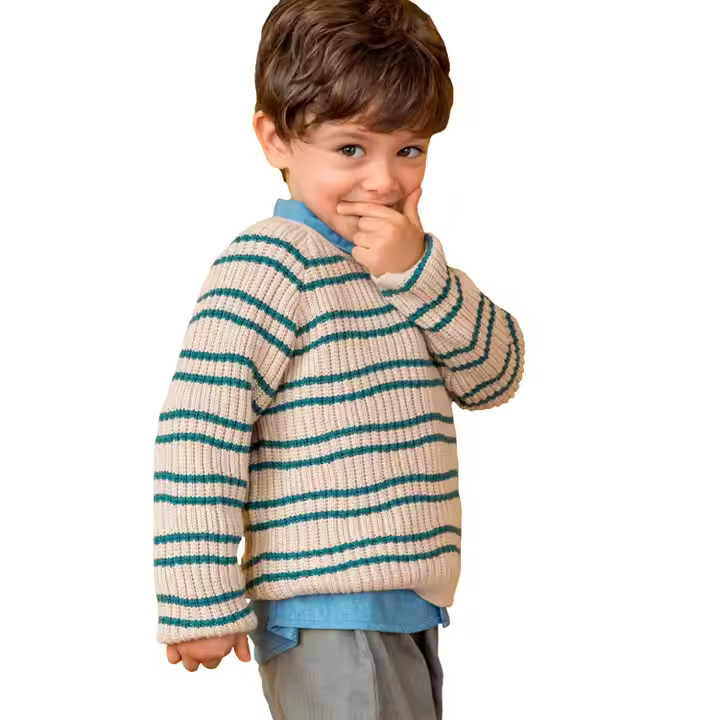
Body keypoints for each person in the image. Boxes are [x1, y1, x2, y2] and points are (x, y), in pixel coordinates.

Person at [153, 0, 525, 717]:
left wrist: (419, 273)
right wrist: (199, 596)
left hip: (405, 606)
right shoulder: (268, 263)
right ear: (276, 139)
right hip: (326, 609)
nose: (383, 181)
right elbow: (200, 430)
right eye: (352, 149)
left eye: (408, 149)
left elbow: (495, 376)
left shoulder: (406, 269)